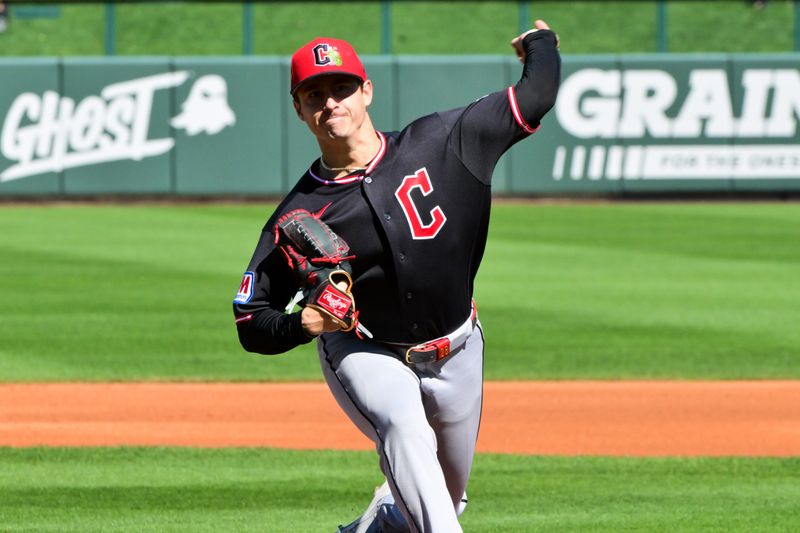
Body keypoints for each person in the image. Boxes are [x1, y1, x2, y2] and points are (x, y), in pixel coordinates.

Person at [233, 20, 560, 532]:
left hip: (457, 348)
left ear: (366, 91)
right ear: (298, 109)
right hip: (367, 351)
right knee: (405, 431)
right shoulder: (297, 215)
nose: (330, 102)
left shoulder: (443, 141)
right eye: (313, 93)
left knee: (440, 502)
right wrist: (305, 325)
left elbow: (534, 97)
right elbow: (250, 320)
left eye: (341, 87)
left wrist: (540, 45)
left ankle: (374, 528)